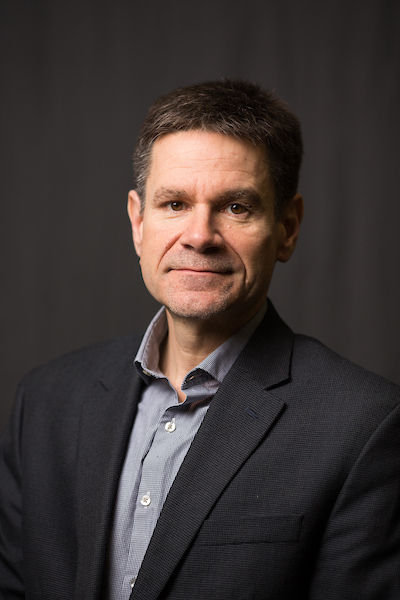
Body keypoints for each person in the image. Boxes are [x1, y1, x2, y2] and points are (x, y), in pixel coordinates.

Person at [0, 80, 399, 600]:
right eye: (174, 203)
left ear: (287, 227)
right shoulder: (45, 402)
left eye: (236, 207)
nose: (199, 236)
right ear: (138, 222)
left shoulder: (363, 426)